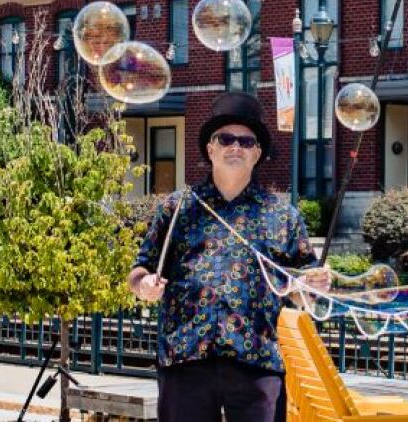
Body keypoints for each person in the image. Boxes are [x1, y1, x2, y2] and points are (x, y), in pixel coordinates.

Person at [128, 92, 330, 422]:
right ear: (211, 149)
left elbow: (301, 288)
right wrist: (143, 285)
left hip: (256, 360)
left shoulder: (282, 215)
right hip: (186, 357)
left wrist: (313, 284)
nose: (235, 147)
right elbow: (140, 268)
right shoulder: (178, 207)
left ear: (258, 153)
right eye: (226, 139)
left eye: (246, 141)